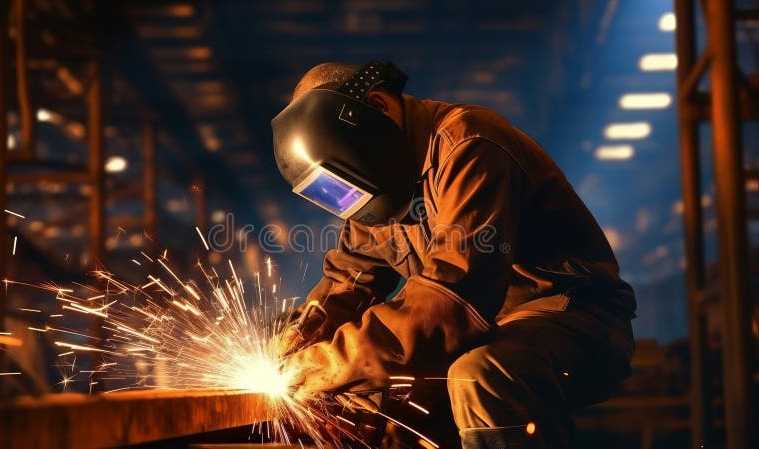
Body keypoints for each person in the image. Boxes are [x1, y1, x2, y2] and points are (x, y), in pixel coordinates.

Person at [271, 61, 635, 449]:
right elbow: (350, 278)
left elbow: (452, 303)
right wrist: (303, 334)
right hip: (487, 330)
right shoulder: (380, 186)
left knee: (480, 374)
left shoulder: (470, 144)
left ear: (377, 107)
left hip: (574, 317)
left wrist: (328, 364)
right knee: (384, 414)